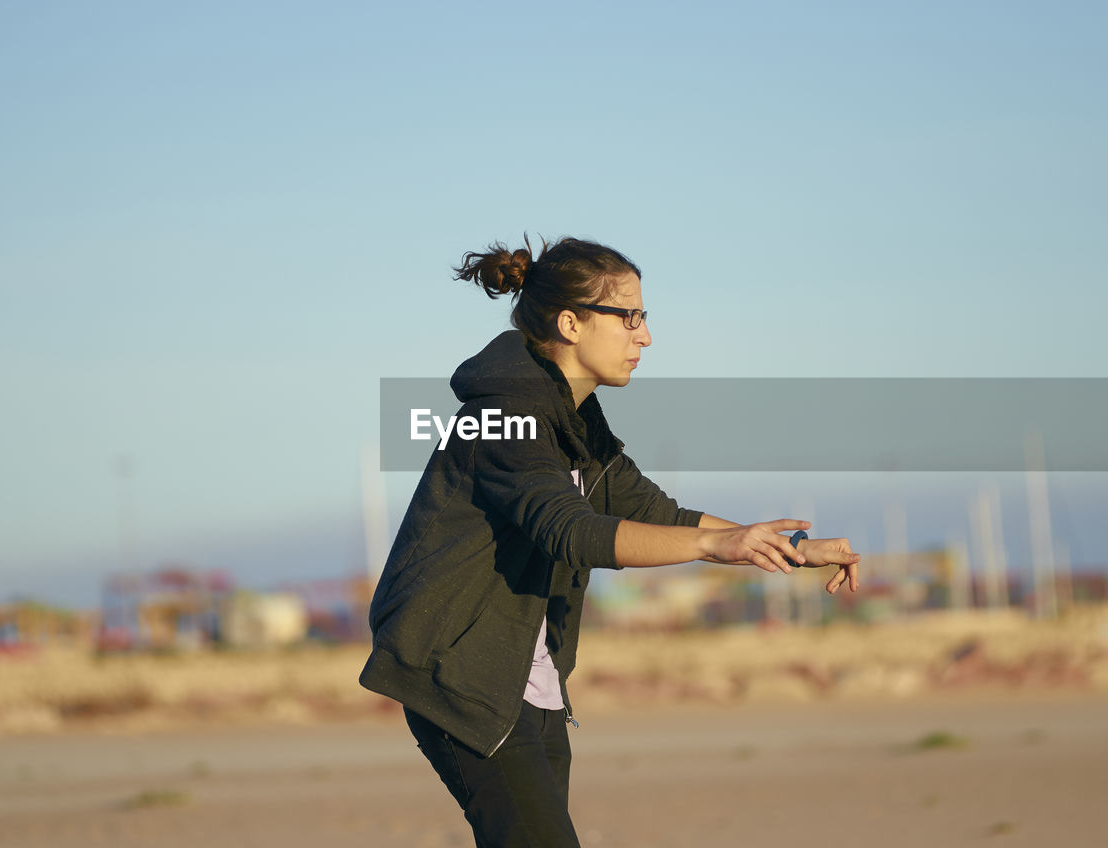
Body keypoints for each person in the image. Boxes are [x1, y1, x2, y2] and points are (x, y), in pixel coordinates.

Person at [360, 235, 861, 847]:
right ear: (570, 322)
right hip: (460, 675)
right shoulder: (504, 418)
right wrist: (716, 548)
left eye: (643, 318)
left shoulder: (576, 421)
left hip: (530, 678)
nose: (644, 336)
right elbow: (573, 533)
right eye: (629, 317)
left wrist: (788, 549)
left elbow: (655, 513)